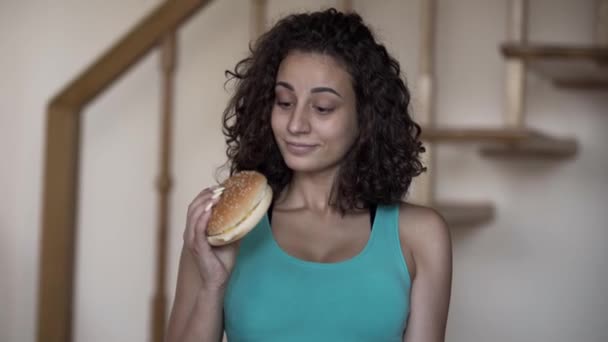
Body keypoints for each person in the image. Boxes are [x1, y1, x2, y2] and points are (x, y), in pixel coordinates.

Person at [166, 8, 452, 342]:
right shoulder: (222, 228)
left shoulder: (420, 236)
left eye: (322, 108)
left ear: (366, 117)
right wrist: (212, 285)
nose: (296, 125)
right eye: (284, 102)